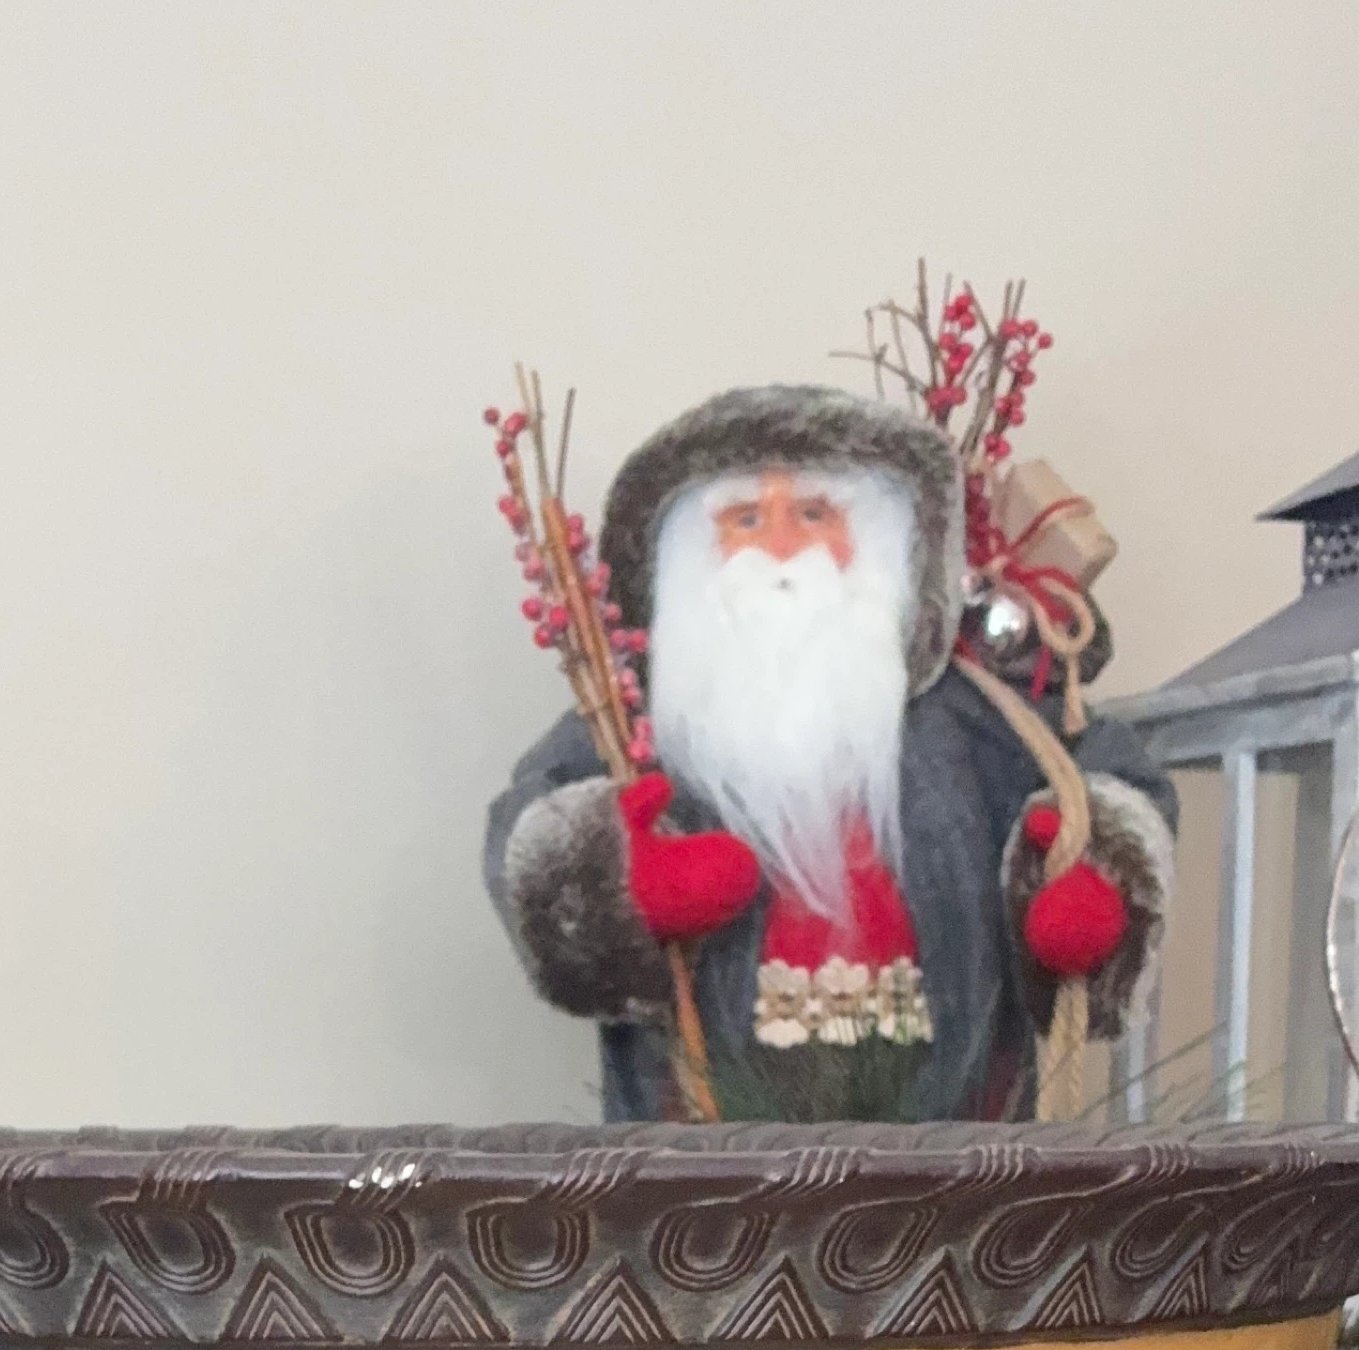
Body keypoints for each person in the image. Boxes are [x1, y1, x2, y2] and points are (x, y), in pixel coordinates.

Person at [484, 382, 1175, 1120]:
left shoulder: (974, 714)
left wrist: (1089, 882)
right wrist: (617, 883)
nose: (782, 547)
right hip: (704, 1162)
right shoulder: (632, 730)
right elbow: (531, 826)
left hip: (960, 1151)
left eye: (814, 514)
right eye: (745, 519)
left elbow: (1100, 775)